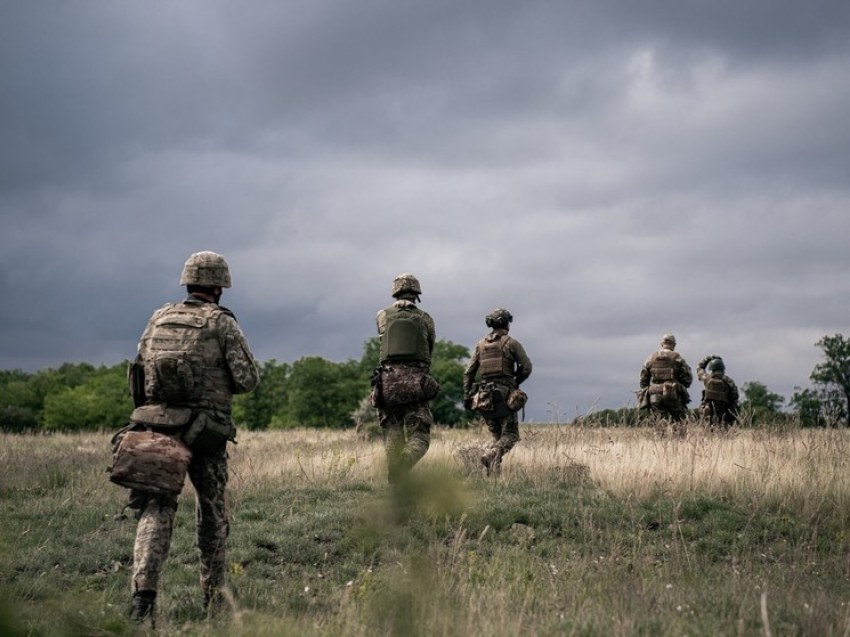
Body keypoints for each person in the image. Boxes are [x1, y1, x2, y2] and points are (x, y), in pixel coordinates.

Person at [124, 251, 260, 624]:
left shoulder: (158, 317)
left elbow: (138, 372)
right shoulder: (220, 323)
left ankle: (143, 596)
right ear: (219, 286)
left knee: (156, 508)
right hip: (205, 432)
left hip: (155, 428)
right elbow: (248, 379)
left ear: (187, 282)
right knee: (212, 512)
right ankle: (214, 599)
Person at [372, 273, 438, 485]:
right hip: (415, 383)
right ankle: (403, 464)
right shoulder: (425, 318)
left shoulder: (381, 315)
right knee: (420, 435)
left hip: (387, 383)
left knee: (392, 430)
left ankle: (395, 478)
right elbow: (430, 349)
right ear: (416, 293)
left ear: (395, 291)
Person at [463, 309, 533, 476]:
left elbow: (468, 372)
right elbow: (527, 367)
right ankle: (490, 454)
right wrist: (515, 383)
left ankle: (494, 477)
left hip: (484, 397)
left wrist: (467, 395)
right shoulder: (511, 343)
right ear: (507, 324)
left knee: (497, 437)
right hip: (504, 395)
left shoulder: (480, 345)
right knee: (510, 435)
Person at [638, 333, 693, 422]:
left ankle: (661, 435)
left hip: (654, 395)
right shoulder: (677, 358)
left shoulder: (651, 358)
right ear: (674, 344)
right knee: (679, 423)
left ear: (661, 344)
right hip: (673, 394)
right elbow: (687, 379)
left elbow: (643, 379)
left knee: (659, 423)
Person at [696, 355, 739, 427]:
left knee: (707, 428)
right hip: (723, 410)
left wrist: (708, 359)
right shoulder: (728, 380)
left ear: (712, 368)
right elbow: (735, 396)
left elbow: (699, 368)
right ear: (722, 368)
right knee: (723, 430)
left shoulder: (706, 378)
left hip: (708, 409)